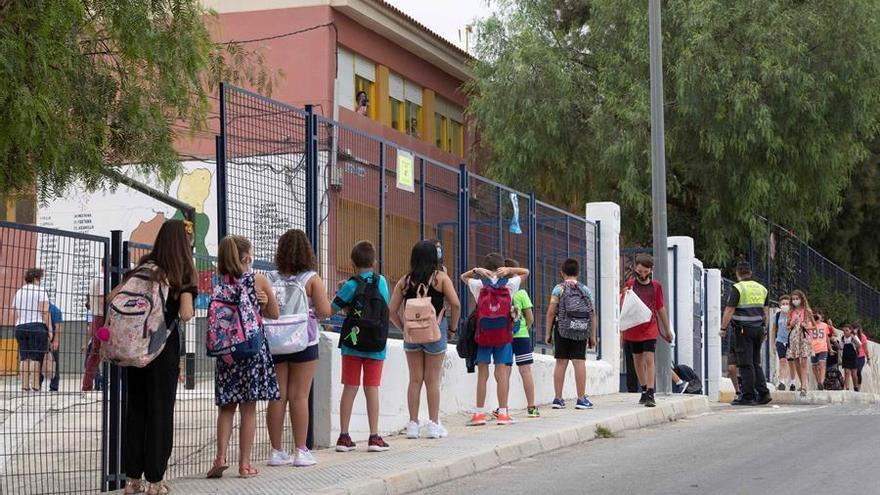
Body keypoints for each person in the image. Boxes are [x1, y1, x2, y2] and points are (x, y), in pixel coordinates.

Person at [122, 220, 197, 495]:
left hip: (135, 348)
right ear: (184, 242)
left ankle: (131, 481)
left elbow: (113, 298)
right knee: (160, 412)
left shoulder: (143, 267)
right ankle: (155, 481)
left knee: (137, 411)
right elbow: (187, 314)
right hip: (162, 350)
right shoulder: (182, 271)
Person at [208, 235, 280, 480]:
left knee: (226, 409)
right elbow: (275, 314)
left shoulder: (220, 283)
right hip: (251, 351)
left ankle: (220, 457)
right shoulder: (257, 280)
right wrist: (266, 301)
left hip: (226, 354)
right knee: (248, 411)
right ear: (247, 257)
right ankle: (245, 464)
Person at [265, 230, 332, 467]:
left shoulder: (270, 278)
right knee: (299, 395)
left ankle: (276, 451)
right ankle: (301, 451)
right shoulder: (311, 279)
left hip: (274, 341)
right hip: (304, 340)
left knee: (278, 395)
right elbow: (325, 311)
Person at [389, 241, 461, 439]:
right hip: (435, 332)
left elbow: (391, 310)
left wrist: (404, 327)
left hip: (412, 334)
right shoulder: (441, 279)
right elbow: (455, 304)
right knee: (432, 380)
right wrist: (453, 329)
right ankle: (434, 424)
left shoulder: (405, 281)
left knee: (415, 379)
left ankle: (413, 424)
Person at [332, 240, 392, 453]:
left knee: (350, 387)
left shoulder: (351, 284)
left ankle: (344, 436)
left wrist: (346, 300)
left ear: (352, 262)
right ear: (374, 261)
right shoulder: (382, 282)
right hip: (376, 342)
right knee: (371, 388)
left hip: (352, 343)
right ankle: (374, 437)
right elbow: (384, 307)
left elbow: (331, 308)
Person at [460, 253, 529, 426]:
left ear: (484, 266)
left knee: (483, 374)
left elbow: (462, 277)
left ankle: (479, 414)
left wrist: (476, 271)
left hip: (483, 335)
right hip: (503, 336)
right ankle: (503, 413)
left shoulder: (477, 284)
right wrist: (510, 270)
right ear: (501, 267)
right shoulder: (510, 284)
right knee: (501, 373)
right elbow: (526, 272)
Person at [622, 254, 673, 408]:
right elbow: (624, 307)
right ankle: (643, 389)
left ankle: (651, 392)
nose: (642, 275)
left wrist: (667, 329)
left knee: (649, 358)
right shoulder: (630, 285)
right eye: (639, 271)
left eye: (645, 271)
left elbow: (660, 307)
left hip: (650, 328)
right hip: (633, 328)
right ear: (635, 269)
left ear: (651, 270)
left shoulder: (656, 286)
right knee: (637, 360)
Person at [545, 258, 597, 410]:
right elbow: (593, 314)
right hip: (581, 330)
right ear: (578, 273)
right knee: (579, 362)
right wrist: (592, 336)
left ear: (562, 273)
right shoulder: (585, 290)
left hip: (562, 329)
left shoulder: (558, 289)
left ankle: (558, 398)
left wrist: (548, 332)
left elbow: (551, 311)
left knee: (561, 362)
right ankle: (581, 399)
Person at [720, 262, 771, 406]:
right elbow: (766, 312)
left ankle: (748, 396)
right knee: (756, 362)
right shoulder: (762, 288)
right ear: (750, 272)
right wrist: (765, 329)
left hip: (743, 330)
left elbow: (729, 310)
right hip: (759, 330)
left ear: (737, 273)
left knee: (745, 363)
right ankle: (763, 394)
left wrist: (723, 328)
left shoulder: (738, 288)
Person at [495, 258, 539, 418]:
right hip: (521, 336)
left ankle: (503, 407)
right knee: (525, 371)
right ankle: (531, 407)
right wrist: (524, 329)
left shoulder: (499, 291)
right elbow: (531, 318)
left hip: (504, 337)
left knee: (504, 372)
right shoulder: (521, 293)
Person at [13, 268, 51, 392]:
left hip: (20, 326)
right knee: (35, 357)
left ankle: (24, 386)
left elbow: (16, 311)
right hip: (36, 325)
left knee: (24, 357)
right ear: (36, 278)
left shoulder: (19, 292)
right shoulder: (40, 290)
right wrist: (49, 328)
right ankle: (35, 386)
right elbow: (45, 311)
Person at [785, 290, 814, 396]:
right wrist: (791, 324)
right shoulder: (790, 312)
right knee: (796, 361)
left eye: (797, 298)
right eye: (793, 299)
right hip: (794, 338)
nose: (795, 301)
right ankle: (802, 384)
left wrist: (807, 326)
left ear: (801, 299)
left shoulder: (807, 311)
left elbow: (814, 326)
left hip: (804, 338)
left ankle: (804, 386)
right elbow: (787, 327)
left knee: (804, 362)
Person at [82, 274, 105, 391]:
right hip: (104, 318)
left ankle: (87, 385)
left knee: (95, 353)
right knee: (99, 352)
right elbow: (102, 300)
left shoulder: (94, 280)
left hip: (98, 318)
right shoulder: (103, 279)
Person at [770, 295, 794, 391]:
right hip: (780, 340)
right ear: (780, 305)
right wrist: (772, 344)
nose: (785, 305)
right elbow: (773, 330)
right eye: (783, 304)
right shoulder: (777, 315)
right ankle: (782, 382)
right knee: (782, 361)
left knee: (791, 362)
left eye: (787, 304)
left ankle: (792, 381)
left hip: (791, 341)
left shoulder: (793, 314)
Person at [41, 302, 63, 392]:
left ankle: (54, 386)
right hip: (41, 337)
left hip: (51, 338)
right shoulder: (38, 308)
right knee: (39, 362)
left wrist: (56, 340)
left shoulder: (54, 309)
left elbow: (59, 326)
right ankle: (38, 384)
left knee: (54, 362)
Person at [810, 311, 832, 390]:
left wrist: (830, 349)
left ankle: (821, 383)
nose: (817, 318)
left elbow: (827, 338)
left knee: (822, 364)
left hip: (823, 348)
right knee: (814, 367)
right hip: (813, 349)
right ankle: (818, 382)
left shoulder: (824, 325)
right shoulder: (810, 324)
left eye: (818, 316)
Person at [840, 324, 861, 391]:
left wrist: (854, 337)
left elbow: (859, 345)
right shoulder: (843, 338)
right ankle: (847, 388)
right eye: (844, 331)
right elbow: (841, 347)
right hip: (845, 356)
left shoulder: (853, 337)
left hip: (853, 357)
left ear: (850, 331)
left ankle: (856, 387)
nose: (845, 332)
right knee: (846, 372)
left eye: (847, 330)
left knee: (853, 374)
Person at [855, 323, 870, 392]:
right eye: (857, 329)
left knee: (858, 371)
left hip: (861, 357)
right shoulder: (853, 336)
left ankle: (858, 387)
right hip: (854, 356)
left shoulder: (863, 337)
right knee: (854, 372)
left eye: (859, 329)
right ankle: (855, 386)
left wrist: (868, 358)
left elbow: (865, 348)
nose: (859, 330)